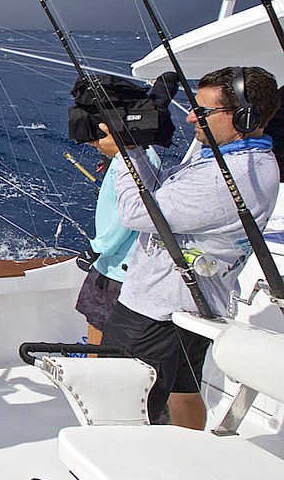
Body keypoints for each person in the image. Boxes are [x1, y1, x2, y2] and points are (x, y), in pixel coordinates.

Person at [100, 66, 280, 429]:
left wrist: (125, 153)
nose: (190, 117)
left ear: (244, 117)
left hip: (157, 314)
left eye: (204, 111)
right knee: (184, 389)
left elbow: (138, 211)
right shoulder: (234, 159)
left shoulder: (228, 176)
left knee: (114, 405)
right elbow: (161, 197)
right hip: (188, 306)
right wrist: (136, 144)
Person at [74, 74, 175, 346]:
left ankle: (93, 372)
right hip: (124, 265)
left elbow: (126, 217)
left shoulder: (129, 163)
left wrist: (97, 248)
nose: (93, 143)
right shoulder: (138, 157)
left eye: (96, 137)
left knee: (97, 326)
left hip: (116, 267)